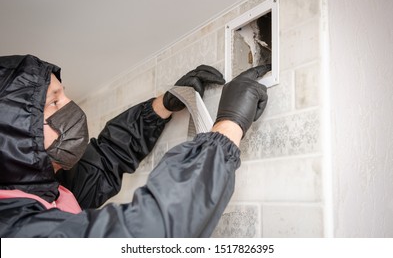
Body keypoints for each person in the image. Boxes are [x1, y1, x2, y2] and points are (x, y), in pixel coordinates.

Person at [0, 54, 268, 237]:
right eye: (54, 102)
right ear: (16, 132)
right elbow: (154, 231)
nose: (71, 107)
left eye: (64, 94)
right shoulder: (13, 228)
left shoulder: (45, 188)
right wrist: (228, 127)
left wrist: (162, 106)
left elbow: (105, 159)